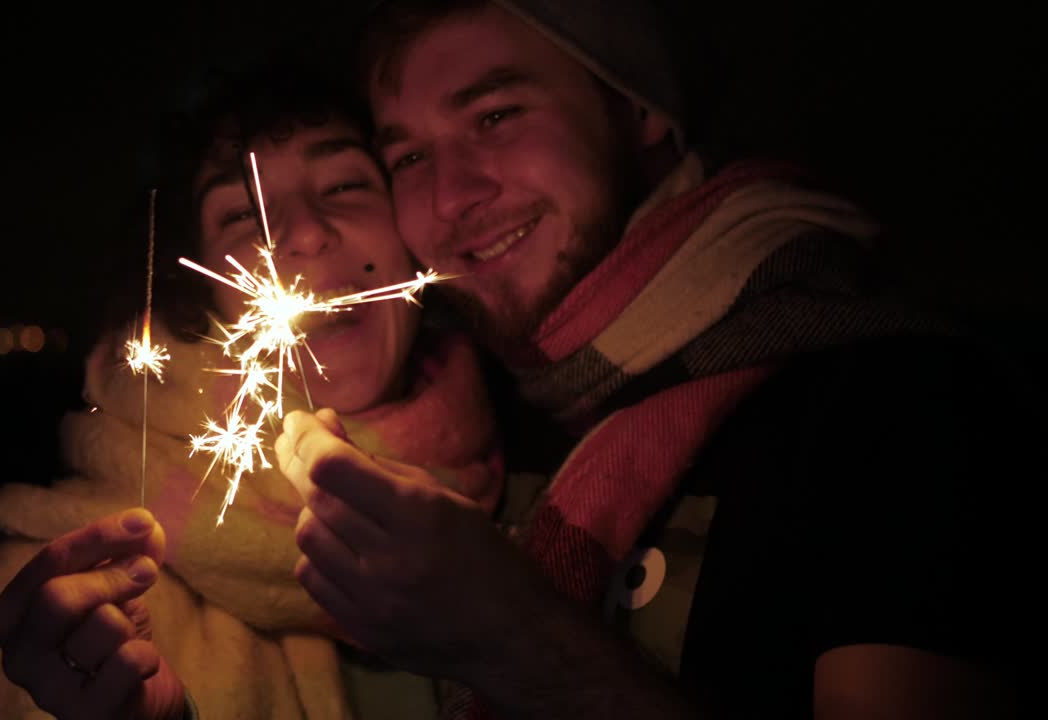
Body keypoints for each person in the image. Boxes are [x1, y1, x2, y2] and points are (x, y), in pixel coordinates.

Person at [275, 1, 1034, 718]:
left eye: (496, 116)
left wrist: (515, 639)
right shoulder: (485, 429)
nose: (450, 197)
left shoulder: (901, 400)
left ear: (640, 109)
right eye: (409, 157)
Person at [0, 63, 504, 720]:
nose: (302, 233)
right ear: (200, 289)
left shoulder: (553, 505)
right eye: (243, 214)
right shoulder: (83, 589)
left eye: (344, 184)